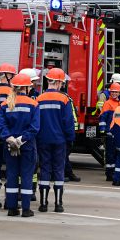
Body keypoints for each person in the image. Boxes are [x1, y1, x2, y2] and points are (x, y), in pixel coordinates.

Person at [0, 73, 40, 217]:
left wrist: (11, 140)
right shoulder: (33, 104)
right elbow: (34, 128)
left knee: (12, 175)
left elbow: (1, 126)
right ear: (26, 88)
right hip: (27, 145)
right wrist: (20, 140)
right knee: (27, 176)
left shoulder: (5, 104)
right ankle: (26, 209)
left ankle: (12, 208)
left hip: (10, 146)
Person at [36, 68, 76, 212]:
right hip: (59, 140)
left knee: (45, 169)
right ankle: (58, 204)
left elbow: (36, 121)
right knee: (59, 169)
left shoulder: (39, 99)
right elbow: (68, 122)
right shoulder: (64, 99)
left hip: (43, 140)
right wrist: (70, 138)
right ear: (58, 82)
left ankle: (43, 204)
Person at [0, 63, 17, 208]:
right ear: (9, 75)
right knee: (10, 167)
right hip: (8, 134)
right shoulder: (12, 91)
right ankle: (9, 200)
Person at [99, 82, 120, 180]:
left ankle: (117, 173)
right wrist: (103, 130)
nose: (114, 94)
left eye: (116, 92)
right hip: (110, 133)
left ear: (119, 93)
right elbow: (102, 118)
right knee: (110, 154)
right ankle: (109, 174)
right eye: (113, 92)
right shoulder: (107, 103)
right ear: (110, 92)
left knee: (118, 154)